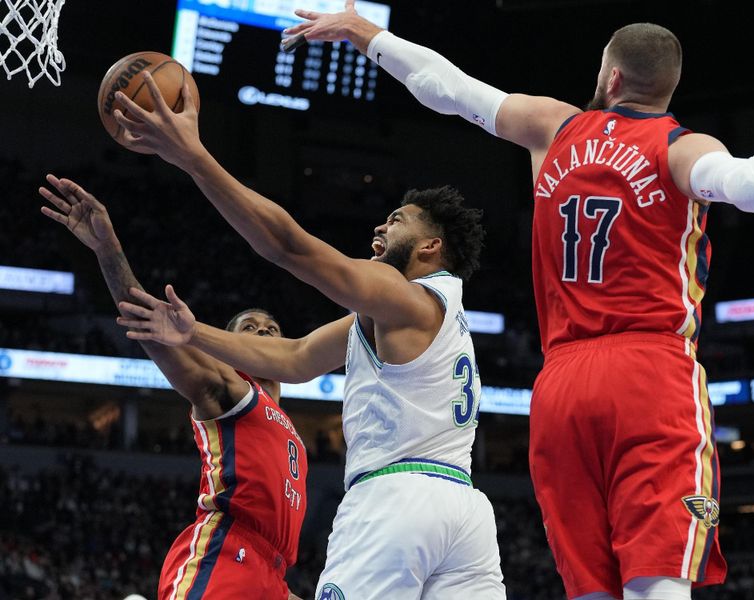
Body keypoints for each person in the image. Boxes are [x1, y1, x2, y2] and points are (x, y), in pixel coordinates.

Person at [281, 4, 754, 599]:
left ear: (610, 77)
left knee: (591, 590)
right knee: (657, 584)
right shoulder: (679, 147)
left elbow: (448, 89)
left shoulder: (554, 128)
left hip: (560, 385)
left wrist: (365, 33)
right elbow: (749, 185)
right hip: (649, 371)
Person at [109, 73, 505, 599]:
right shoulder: (436, 314)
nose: (379, 231)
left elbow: (286, 246)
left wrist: (193, 157)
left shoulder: (402, 294)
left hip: (395, 499)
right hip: (466, 512)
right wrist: (191, 331)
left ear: (430, 247)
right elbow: (294, 359)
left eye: (397, 220)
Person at [38, 175, 307, 600]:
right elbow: (146, 324)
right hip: (225, 551)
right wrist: (108, 249)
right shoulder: (230, 391)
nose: (263, 333)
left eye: (271, 329)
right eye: (249, 329)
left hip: (271, 573)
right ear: (231, 347)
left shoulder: (290, 429)